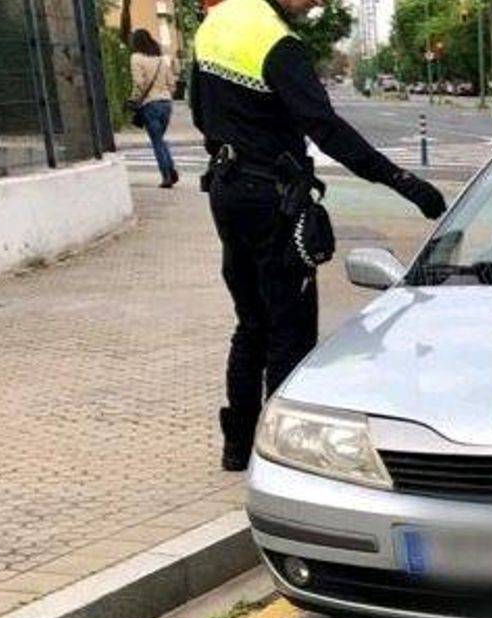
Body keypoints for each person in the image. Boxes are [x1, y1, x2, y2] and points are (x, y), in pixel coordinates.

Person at [190, 0, 447, 470]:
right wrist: (403, 182)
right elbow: (326, 129)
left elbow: (200, 113)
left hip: (225, 190)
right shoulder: (277, 42)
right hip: (273, 197)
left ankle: (237, 446)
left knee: (250, 324)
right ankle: (280, 455)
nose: (317, 4)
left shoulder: (217, 23)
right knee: (288, 330)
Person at [129, 30, 178, 189]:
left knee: (157, 141)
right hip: (166, 104)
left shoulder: (136, 58)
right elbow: (172, 84)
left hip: (150, 105)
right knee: (160, 139)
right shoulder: (160, 60)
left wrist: (134, 99)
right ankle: (170, 169)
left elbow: (139, 83)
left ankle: (166, 176)